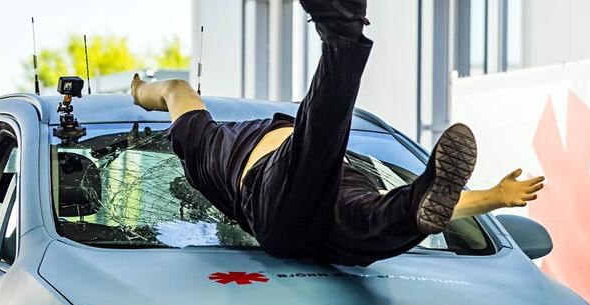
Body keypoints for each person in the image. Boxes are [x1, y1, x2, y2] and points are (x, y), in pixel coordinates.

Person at [131, 0, 544, 266]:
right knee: (321, 147)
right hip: (283, 201)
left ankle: (414, 202)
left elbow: (173, 92)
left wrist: (495, 196)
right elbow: (176, 89)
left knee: (376, 217)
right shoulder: (203, 148)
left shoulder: (203, 145)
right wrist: (137, 90)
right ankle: (341, 38)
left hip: (330, 204)